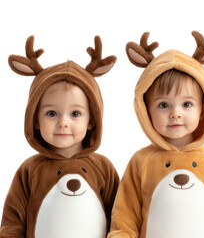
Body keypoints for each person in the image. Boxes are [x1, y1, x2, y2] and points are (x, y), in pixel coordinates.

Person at [108, 31, 204, 238]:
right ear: (146, 110)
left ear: (203, 109)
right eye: (163, 105)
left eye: (187, 104)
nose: (175, 113)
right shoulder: (140, 161)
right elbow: (125, 215)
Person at [0, 35, 119, 238]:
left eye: (75, 114)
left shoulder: (103, 168)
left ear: (92, 120)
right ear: (35, 119)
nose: (63, 123)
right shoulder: (29, 170)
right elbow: (12, 222)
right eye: (52, 113)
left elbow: (120, 216)